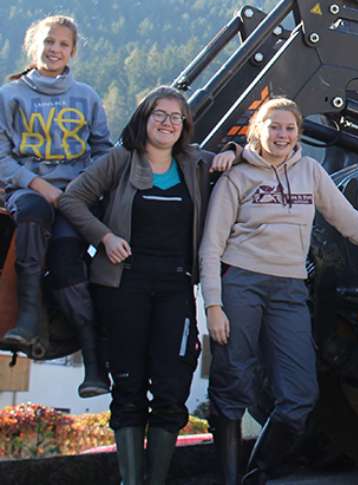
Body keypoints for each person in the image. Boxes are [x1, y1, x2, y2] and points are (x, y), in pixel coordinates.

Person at [199, 97, 358, 485]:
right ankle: (231, 477)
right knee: (232, 383)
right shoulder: (237, 177)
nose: (282, 135)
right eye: (274, 127)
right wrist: (214, 305)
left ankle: (259, 471)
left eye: (289, 128)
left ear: (298, 133)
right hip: (243, 286)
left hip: (289, 290)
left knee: (300, 394)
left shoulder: (311, 173)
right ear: (258, 130)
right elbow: (211, 246)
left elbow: (348, 221)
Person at [58, 87, 236, 485]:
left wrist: (235, 149)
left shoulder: (194, 163)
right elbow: (72, 200)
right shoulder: (120, 161)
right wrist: (104, 236)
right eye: (160, 114)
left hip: (175, 288)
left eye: (177, 117)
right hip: (123, 287)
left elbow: (243, 153)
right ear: (144, 118)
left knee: (172, 387)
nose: (168, 123)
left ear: (185, 126)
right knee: (128, 386)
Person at [0, 14, 111, 397]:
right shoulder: (9, 96)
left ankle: (95, 366)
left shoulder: (87, 96)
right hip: (26, 190)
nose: (54, 50)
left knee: (67, 264)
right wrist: (38, 184)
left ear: (72, 51)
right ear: (34, 46)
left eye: (63, 44)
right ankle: (28, 318)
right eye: (48, 42)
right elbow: (1, 157)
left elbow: (102, 152)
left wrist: (81, 189)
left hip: (74, 197)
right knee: (31, 212)